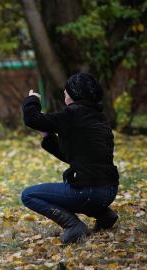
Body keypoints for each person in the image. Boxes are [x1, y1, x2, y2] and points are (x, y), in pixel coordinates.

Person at [21, 73, 119, 244]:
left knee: (28, 195)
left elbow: (32, 119)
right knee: (79, 188)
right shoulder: (99, 119)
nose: (64, 96)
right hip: (109, 191)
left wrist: (33, 100)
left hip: (89, 192)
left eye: (66, 93)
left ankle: (73, 225)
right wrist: (48, 138)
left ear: (74, 95)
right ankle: (104, 215)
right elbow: (75, 157)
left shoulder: (71, 115)